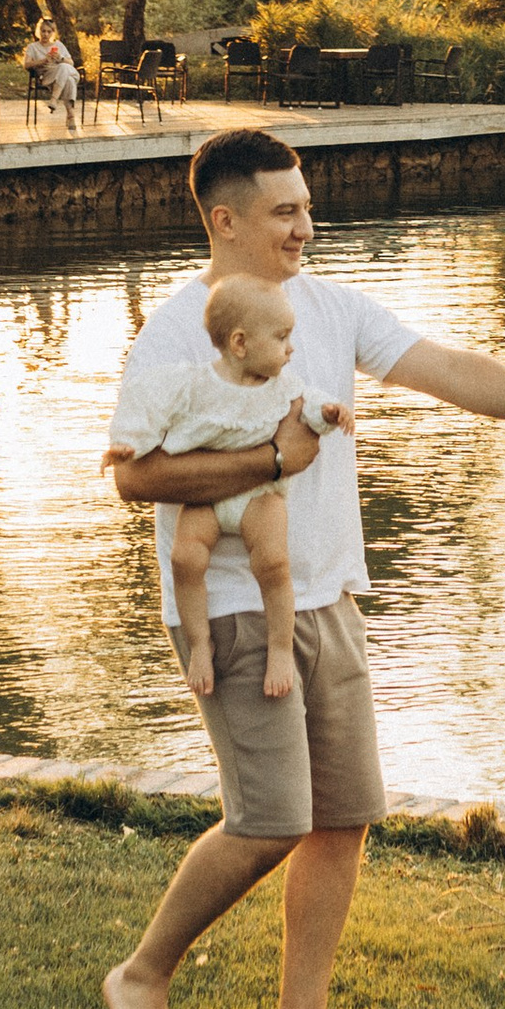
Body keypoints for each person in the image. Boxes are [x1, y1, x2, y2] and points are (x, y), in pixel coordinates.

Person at [99, 124, 505, 1009]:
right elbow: (135, 478)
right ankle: (142, 974)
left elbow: (450, 370)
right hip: (236, 606)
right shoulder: (174, 332)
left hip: (330, 595)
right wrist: (269, 462)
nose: (306, 227)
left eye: (307, 207)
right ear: (224, 221)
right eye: (285, 212)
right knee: (269, 819)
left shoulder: (329, 306)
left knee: (342, 815)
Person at [112, 276, 351, 700]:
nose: (290, 347)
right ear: (239, 344)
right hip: (205, 498)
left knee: (274, 563)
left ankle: (280, 647)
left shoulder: (284, 386)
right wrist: (127, 444)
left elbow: (310, 409)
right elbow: (148, 403)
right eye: (281, 337)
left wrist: (330, 413)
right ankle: (200, 644)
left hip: (259, 497)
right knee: (185, 559)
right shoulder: (192, 384)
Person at [24, 17, 80, 121]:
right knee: (69, 77)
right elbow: (26, 65)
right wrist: (43, 61)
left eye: (49, 32)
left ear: (53, 33)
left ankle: (56, 101)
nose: (45, 34)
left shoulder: (58, 45)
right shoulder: (32, 46)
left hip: (61, 75)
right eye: (43, 31)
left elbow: (71, 63)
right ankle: (70, 114)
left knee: (66, 73)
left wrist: (60, 58)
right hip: (46, 77)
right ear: (39, 31)